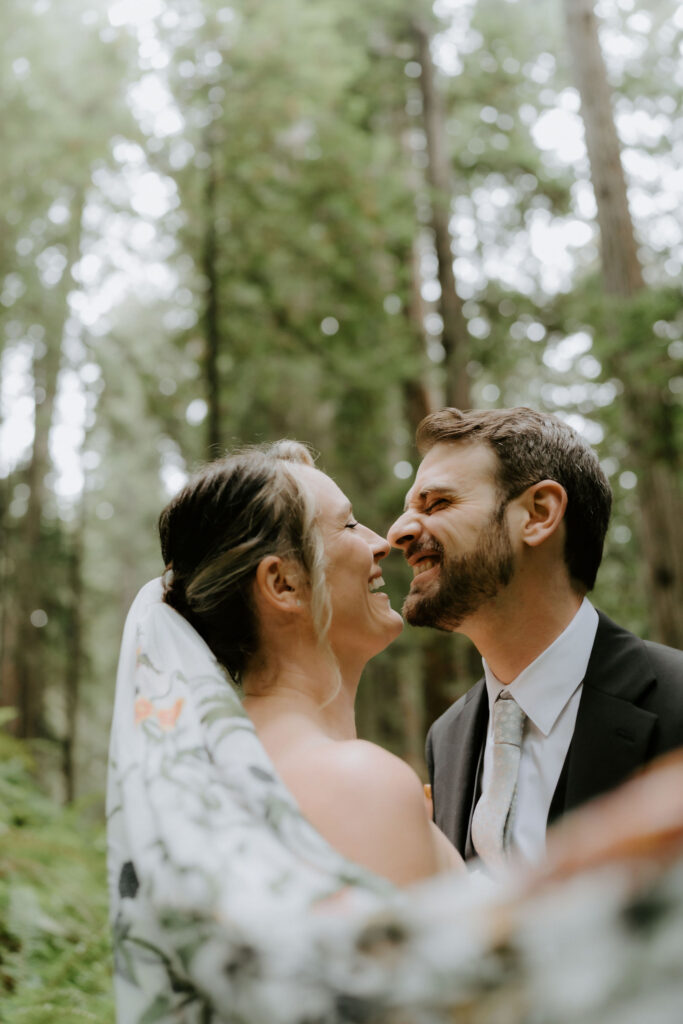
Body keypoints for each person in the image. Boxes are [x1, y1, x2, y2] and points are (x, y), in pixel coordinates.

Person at [387, 406, 683, 873]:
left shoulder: (676, 699)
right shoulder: (446, 739)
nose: (398, 532)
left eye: (437, 503)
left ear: (539, 514)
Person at [158, 440, 462, 886]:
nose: (381, 543)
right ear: (283, 584)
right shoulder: (357, 784)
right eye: (350, 525)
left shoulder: (204, 770)